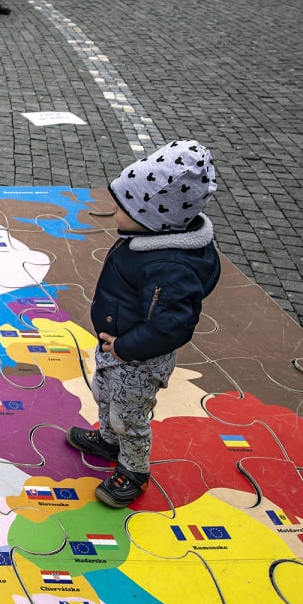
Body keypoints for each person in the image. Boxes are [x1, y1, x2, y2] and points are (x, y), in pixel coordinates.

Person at [66, 141, 221, 507]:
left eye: (123, 205)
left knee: (130, 416)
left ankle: (134, 470)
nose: (114, 209)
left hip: (138, 359)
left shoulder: (171, 267)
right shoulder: (148, 239)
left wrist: (123, 348)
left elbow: (171, 328)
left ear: (153, 217)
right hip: (117, 346)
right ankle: (108, 440)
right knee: (104, 395)